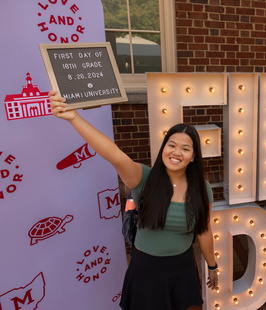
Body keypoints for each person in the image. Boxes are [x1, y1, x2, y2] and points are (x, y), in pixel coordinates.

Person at [49, 90, 218, 310]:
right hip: (146, 270)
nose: (177, 152)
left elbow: (204, 231)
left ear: (194, 157)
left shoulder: (202, 189)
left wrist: (212, 266)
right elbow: (114, 154)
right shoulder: (144, 178)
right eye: (172, 145)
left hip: (182, 268)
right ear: (163, 148)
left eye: (185, 149)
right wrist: (74, 117)